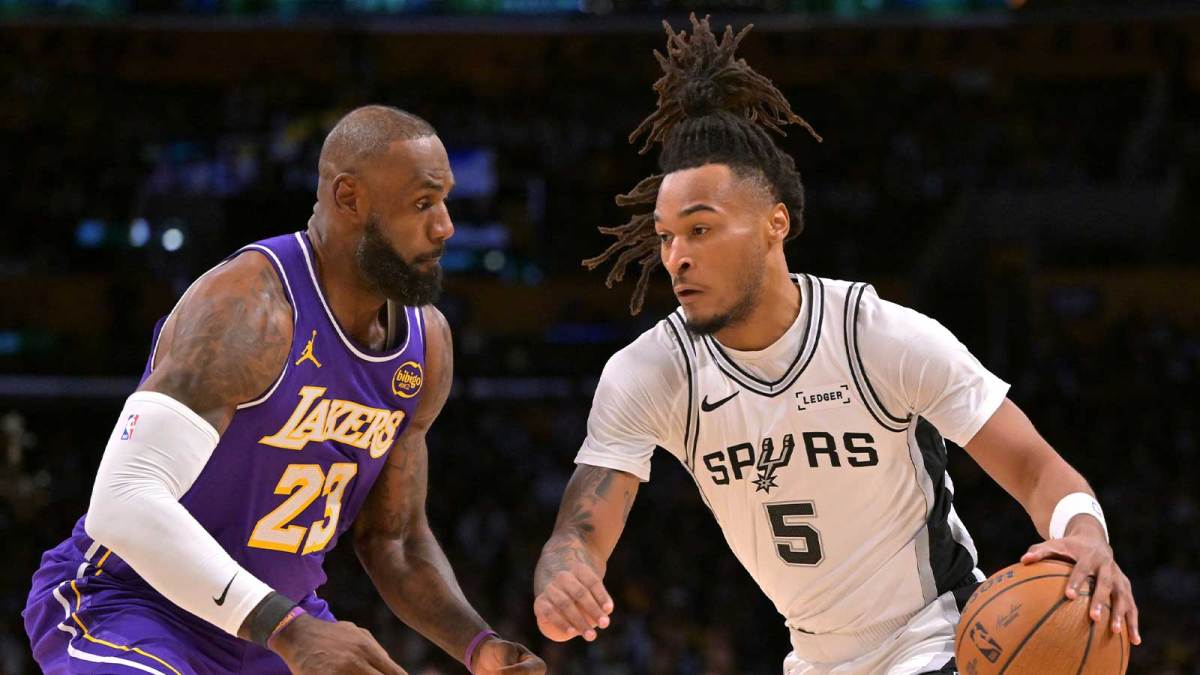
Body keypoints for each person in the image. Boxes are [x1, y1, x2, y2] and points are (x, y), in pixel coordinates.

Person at [532, 16, 1140, 675]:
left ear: (775, 225)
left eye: (701, 229)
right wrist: (563, 570)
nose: (676, 256)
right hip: (814, 659)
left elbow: (1036, 468)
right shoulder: (651, 371)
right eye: (667, 236)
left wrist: (1084, 536)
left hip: (933, 639)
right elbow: (582, 528)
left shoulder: (875, 337)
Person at [24, 105, 545, 675]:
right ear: (349, 199)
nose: (445, 226)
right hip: (134, 606)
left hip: (272, 631)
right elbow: (121, 501)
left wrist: (479, 647)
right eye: (424, 203)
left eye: (446, 202)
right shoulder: (250, 307)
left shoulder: (427, 345)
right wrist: (290, 629)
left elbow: (392, 541)